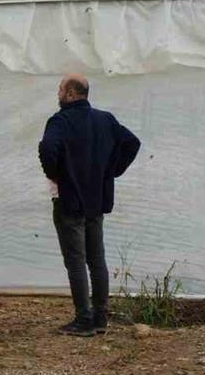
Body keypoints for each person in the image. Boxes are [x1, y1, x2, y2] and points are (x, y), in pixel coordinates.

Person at [38, 74, 141, 336]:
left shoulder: (60, 121)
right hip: (97, 199)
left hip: (70, 199)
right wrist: (112, 171)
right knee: (97, 259)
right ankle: (100, 318)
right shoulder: (104, 119)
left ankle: (83, 320)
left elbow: (48, 148)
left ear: (71, 93)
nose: (58, 94)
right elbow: (131, 142)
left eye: (61, 90)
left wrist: (55, 174)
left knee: (75, 261)